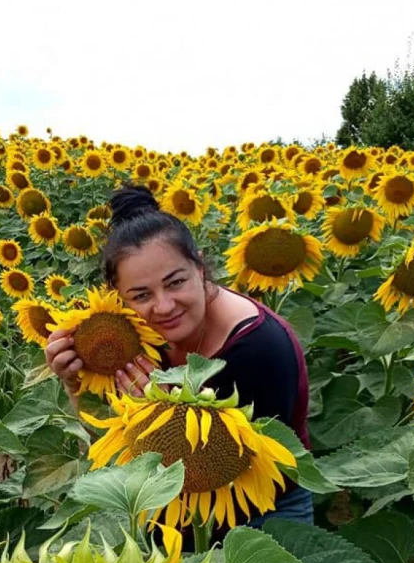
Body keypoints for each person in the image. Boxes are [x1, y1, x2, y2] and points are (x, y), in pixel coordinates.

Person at [45, 184, 313, 531]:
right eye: (141, 295)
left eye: (175, 283)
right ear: (119, 297)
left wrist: (156, 415)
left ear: (199, 268)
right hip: (172, 498)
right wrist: (75, 381)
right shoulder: (131, 334)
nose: (164, 306)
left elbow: (238, 464)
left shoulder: (260, 348)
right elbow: (107, 443)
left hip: (266, 504)